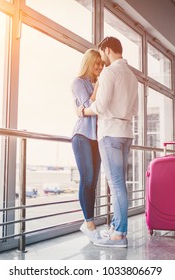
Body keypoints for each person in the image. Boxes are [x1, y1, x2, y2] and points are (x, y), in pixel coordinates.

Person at [79, 37, 138, 248]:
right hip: (126, 132)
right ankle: (115, 228)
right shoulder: (132, 76)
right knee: (119, 182)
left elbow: (100, 106)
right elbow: (134, 109)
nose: (101, 59)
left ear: (107, 49)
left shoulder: (110, 73)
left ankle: (118, 235)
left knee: (116, 184)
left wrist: (83, 111)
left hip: (110, 132)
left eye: (102, 54)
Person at [71, 49, 104, 243]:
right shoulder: (78, 82)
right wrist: (99, 85)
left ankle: (89, 223)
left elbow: (92, 109)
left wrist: (84, 110)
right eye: (96, 64)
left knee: (94, 181)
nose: (100, 67)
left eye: (101, 64)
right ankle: (89, 223)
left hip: (98, 138)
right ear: (88, 63)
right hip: (82, 135)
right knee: (87, 177)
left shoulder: (100, 83)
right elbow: (87, 105)